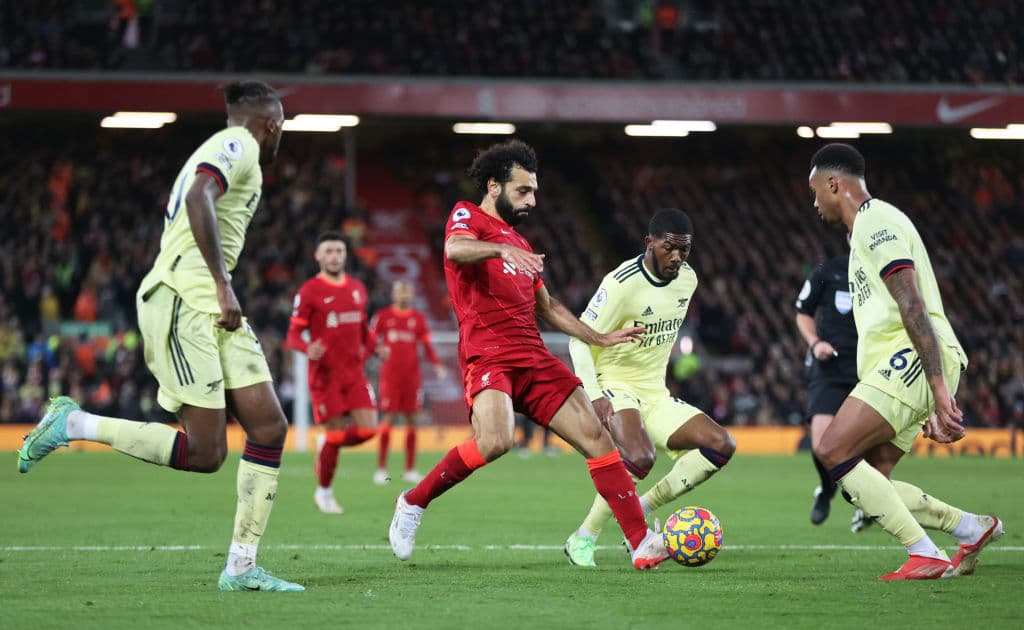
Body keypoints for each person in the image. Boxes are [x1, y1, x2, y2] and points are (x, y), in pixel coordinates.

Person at [18, 81, 303, 591]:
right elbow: (199, 194)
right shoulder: (237, 143)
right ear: (272, 123)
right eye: (282, 126)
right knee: (206, 453)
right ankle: (73, 422)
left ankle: (241, 567)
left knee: (268, 427)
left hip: (212, 305)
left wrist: (221, 288)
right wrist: (221, 283)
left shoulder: (237, 150)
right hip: (183, 299)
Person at [387, 139, 669, 569]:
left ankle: (640, 541)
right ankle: (412, 502)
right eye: (523, 190)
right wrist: (501, 249)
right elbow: (454, 249)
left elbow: (549, 308)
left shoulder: (518, 242)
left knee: (596, 437)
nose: (532, 201)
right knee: (496, 441)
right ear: (494, 186)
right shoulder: (468, 216)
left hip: (533, 356)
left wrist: (599, 338)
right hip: (488, 354)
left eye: (534, 191)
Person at [808, 143, 1002, 580]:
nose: (814, 203)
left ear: (834, 184)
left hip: (910, 359)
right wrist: (926, 395)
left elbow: (911, 303)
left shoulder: (875, 220)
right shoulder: (862, 233)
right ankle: (972, 529)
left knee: (832, 449)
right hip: (903, 367)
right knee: (867, 484)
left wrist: (936, 388)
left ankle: (925, 553)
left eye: (815, 191)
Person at [563, 208, 736, 567]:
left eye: (684, 249)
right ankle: (584, 536)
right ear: (649, 243)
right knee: (640, 456)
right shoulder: (621, 284)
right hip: (615, 385)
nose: (676, 257)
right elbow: (578, 338)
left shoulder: (688, 280)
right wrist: (594, 394)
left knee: (721, 444)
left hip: (656, 394)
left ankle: (640, 506)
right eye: (668, 248)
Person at [287, 233, 383, 514]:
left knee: (368, 430)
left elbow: (363, 329)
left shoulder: (357, 288)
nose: (334, 256)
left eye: (339, 251)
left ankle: (326, 443)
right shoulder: (309, 291)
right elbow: (293, 335)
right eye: (328, 251)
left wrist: (373, 348)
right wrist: (307, 348)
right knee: (337, 434)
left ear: (345, 255)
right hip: (325, 377)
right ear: (318, 256)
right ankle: (325, 492)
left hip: (354, 374)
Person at [794, 253, 869, 528]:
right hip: (830, 368)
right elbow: (803, 312)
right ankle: (827, 490)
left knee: (866, 444)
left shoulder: (883, 271)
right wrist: (815, 344)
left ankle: (869, 501)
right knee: (820, 445)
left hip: (869, 369)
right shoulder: (828, 269)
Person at [371, 280, 446, 484]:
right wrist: (377, 350)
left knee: (412, 420)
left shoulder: (418, 318)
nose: (403, 295)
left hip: (412, 377)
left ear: (412, 295)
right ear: (394, 294)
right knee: (388, 418)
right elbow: (371, 340)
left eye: (407, 291)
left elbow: (427, 345)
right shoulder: (383, 316)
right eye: (400, 291)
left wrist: (437, 364)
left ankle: (410, 469)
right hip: (390, 376)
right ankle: (381, 468)